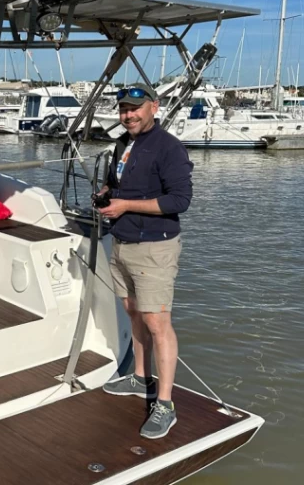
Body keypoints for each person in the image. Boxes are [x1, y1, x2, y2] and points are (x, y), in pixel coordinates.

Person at [96, 85, 193, 440]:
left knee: (157, 322)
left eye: (135, 108)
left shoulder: (169, 148)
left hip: (154, 246)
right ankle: (140, 376)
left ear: (154, 106)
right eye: (123, 109)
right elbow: (116, 184)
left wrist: (125, 206)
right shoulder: (123, 143)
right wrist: (108, 195)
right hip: (122, 241)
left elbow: (179, 200)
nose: (128, 115)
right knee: (133, 311)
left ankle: (165, 404)